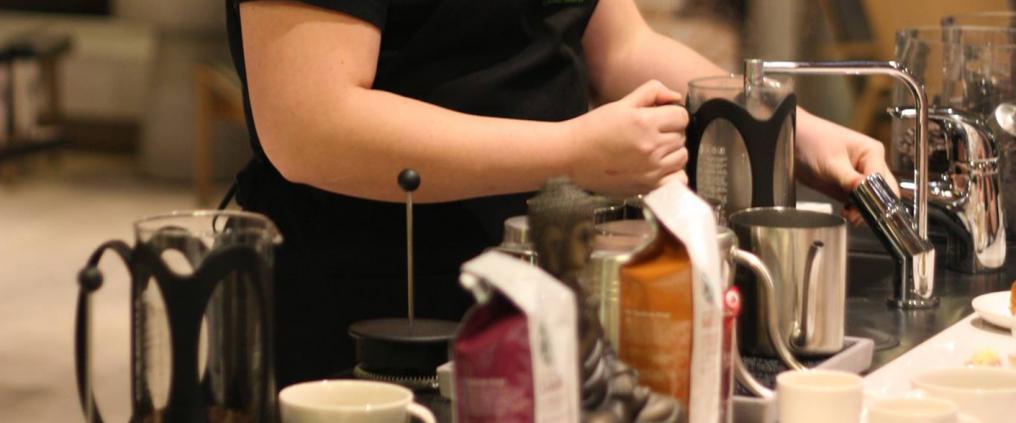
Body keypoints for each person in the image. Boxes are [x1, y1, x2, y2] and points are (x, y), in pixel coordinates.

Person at [224, 0, 897, 387]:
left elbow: (619, 45)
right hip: (371, 312)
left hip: (543, 286)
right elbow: (308, 123)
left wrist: (789, 129)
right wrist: (573, 155)